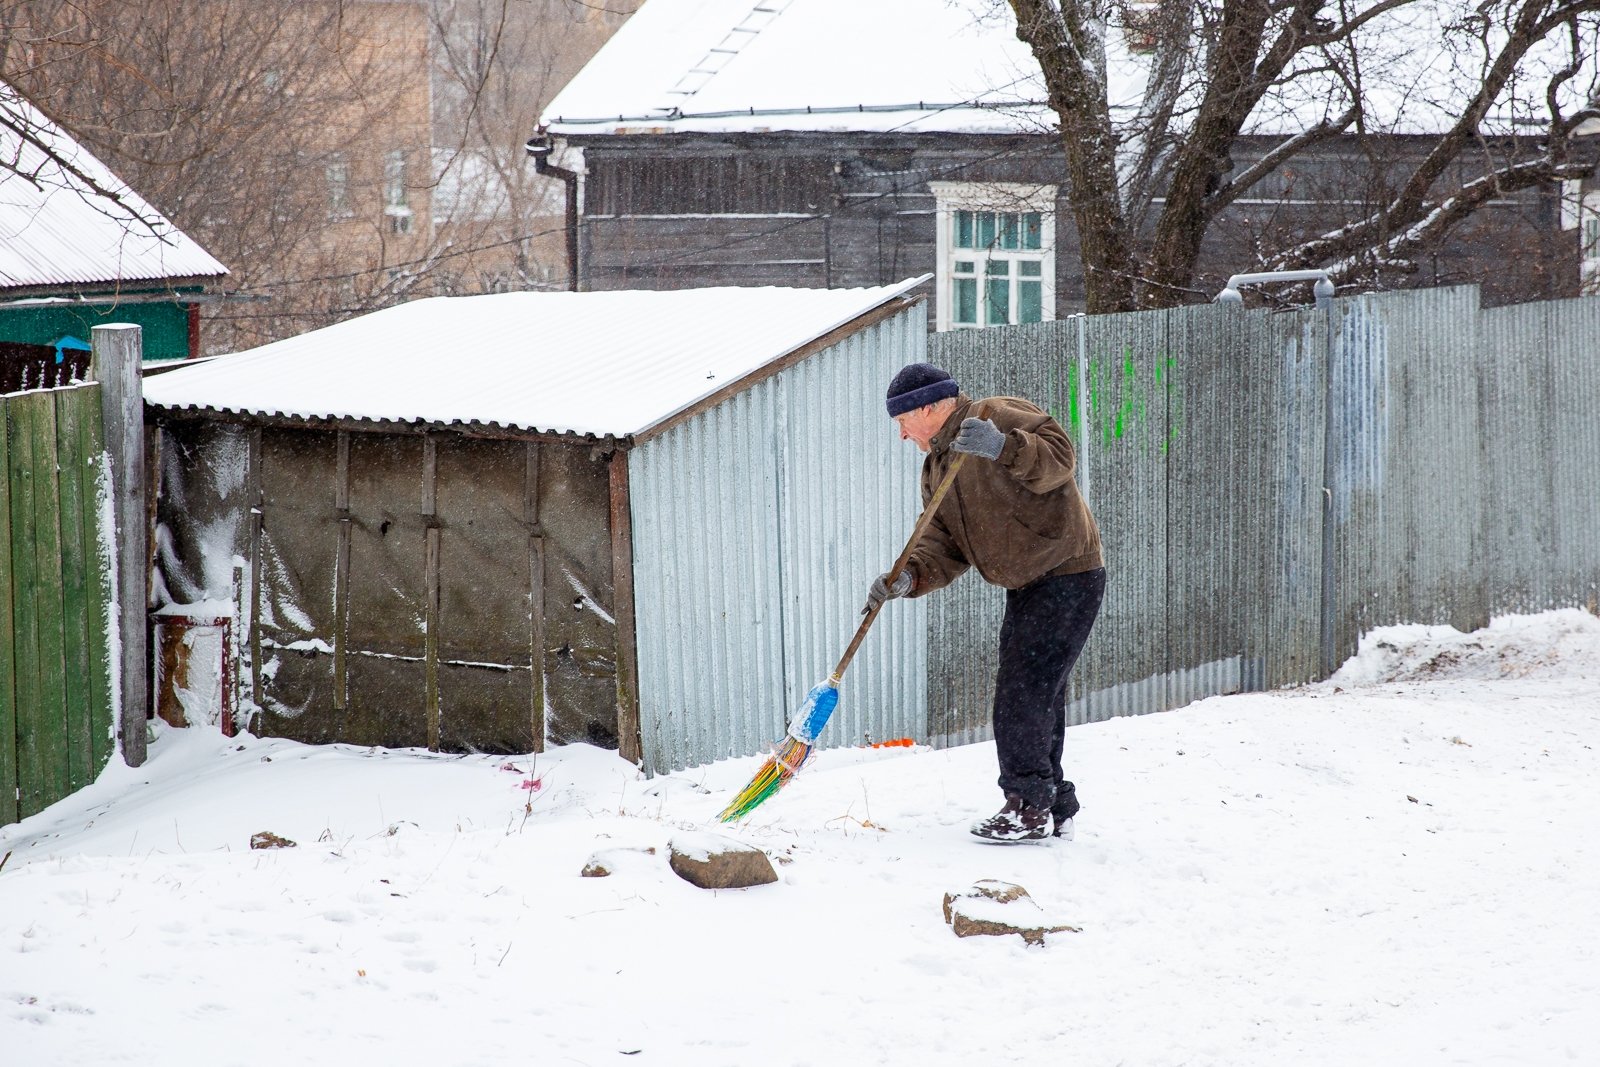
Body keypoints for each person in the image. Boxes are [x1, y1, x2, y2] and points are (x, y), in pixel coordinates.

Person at [865, 362, 1105, 843]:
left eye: (902, 422)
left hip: (1067, 571)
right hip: (1029, 584)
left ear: (928, 408)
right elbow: (942, 541)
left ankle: (1027, 807)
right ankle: (1052, 802)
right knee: (1038, 693)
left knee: (1023, 693)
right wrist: (908, 576)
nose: (902, 435)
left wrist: (1002, 447)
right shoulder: (937, 466)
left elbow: (1060, 459)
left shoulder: (998, 414)